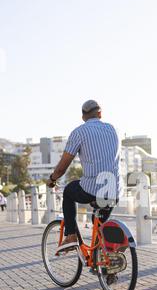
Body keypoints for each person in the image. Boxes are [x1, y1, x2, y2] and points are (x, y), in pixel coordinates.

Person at [46, 100, 120, 253]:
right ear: (100, 114)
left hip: (92, 188)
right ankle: (105, 264)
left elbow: (62, 168)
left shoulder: (79, 132)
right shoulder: (114, 129)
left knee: (68, 191)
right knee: (98, 222)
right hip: (114, 189)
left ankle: (71, 236)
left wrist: (52, 179)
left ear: (83, 117)